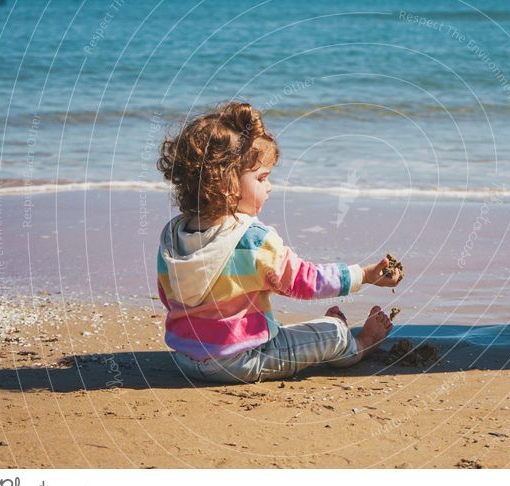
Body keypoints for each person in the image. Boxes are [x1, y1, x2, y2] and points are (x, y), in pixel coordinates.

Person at [155, 102, 401, 383]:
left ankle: (322, 328)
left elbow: (169, 297)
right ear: (227, 183)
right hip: (241, 361)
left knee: (277, 327)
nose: (269, 186)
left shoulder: (172, 235)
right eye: (261, 178)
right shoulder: (253, 239)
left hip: (185, 359)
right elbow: (304, 281)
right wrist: (364, 275)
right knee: (331, 335)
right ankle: (360, 344)